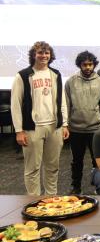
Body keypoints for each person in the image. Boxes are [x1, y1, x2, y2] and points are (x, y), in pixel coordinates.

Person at [11, 41, 69, 196]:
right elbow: (15, 104)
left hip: (54, 127)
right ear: (33, 55)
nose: (44, 56)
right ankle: (33, 200)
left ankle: (51, 198)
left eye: (47, 53)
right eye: (40, 53)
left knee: (53, 167)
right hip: (32, 128)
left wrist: (64, 124)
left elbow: (61, 100)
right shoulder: (22, 76)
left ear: (51, 56)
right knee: (32, 168)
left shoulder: (55, 74)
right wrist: (19, 130)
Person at [65, 51, 100, 194]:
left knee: (97, 161)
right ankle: (75, 187)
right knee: (76, 161)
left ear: (94, 64)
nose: (88, 67)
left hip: (95, 129)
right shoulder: (71, 81)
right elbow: (66, 104)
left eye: (90, 64)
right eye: (85, 64)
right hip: (76, 128)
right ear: (80, 65)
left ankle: (99, 186)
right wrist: (66, 124)